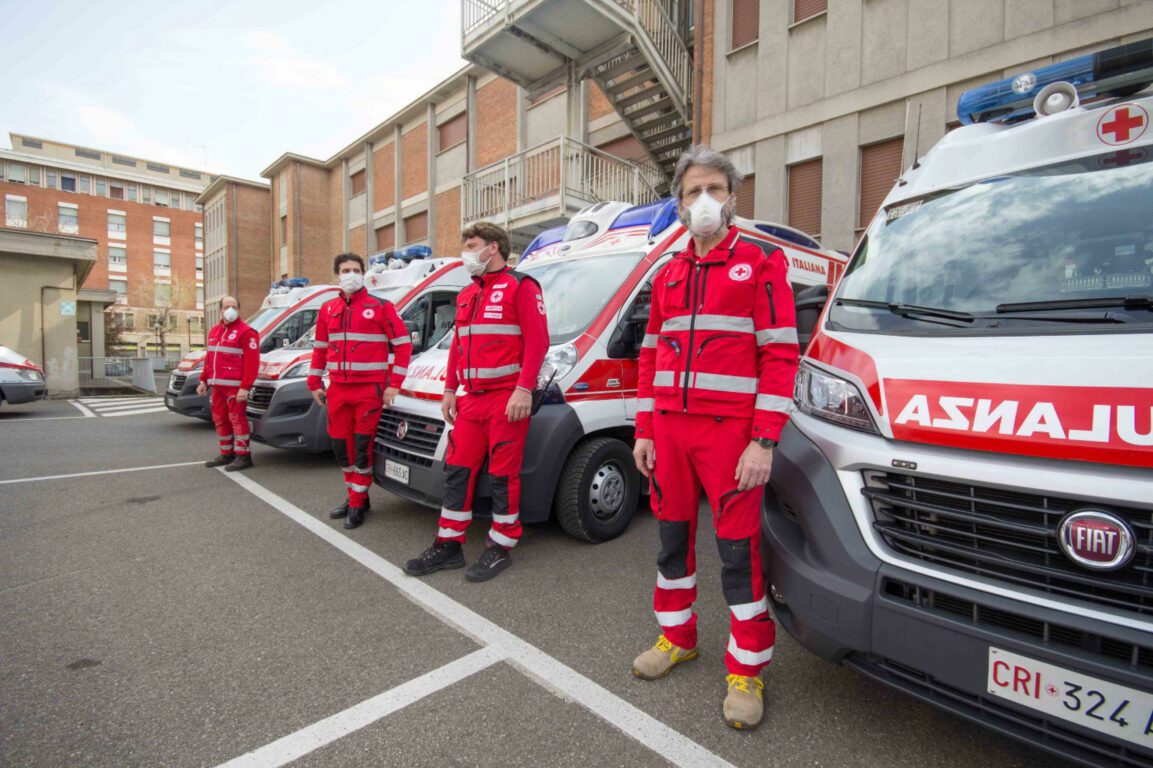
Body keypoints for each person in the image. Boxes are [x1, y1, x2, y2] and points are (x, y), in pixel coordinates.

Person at [630, 145, 800, 730]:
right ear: (678, 205)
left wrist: (765, 440)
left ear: (733, 198)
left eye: (715, 189)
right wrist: (646, 429)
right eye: (692, 191)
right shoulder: (669, 272)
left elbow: (780, 355)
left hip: (732, 438)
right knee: (671, 544)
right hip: (670, 436)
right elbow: (649, 357)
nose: (704, 200)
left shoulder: (761, 261)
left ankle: (746, 668)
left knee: (738, 553)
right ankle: (677, 638)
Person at [404, 222, 548, 582]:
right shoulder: (468, 294)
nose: (466, 252)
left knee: (502, 474)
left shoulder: (522, 286)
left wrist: (524, 389)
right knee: (458, 472)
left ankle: (500, 546)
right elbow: (458, 346)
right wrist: (450, 389)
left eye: (472, 245)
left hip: (506, 398)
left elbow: (538, 342)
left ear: (494, 248)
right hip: (471, 400)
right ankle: (448, 545)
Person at [308, 253, 413, 529]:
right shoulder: (327, 309)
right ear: (337, 275)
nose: (351, 274)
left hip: (369, 390)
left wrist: (394, 383)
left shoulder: (381, 306)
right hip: (337, 390)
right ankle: (356, 494)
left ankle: (357, 503)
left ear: (363, 273)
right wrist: (314, 382)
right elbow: (319, 350)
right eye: (345, 270)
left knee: (362, 448)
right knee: (342, 448)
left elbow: (403, 345)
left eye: (356, 269)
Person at [199, 296, 260, 472]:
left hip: (235, 387)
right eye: (226, 306)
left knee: (237, 420)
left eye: (233, 306)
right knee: (220, 419)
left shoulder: (246, 332)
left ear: (239, 309)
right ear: (220, 309)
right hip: (217, 386)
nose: (230, 309)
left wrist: (245, 387)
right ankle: (227, 453)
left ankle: (243, 456)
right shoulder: (215, 331)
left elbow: (252, 363)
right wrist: (203, 380)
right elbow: (209, 359)